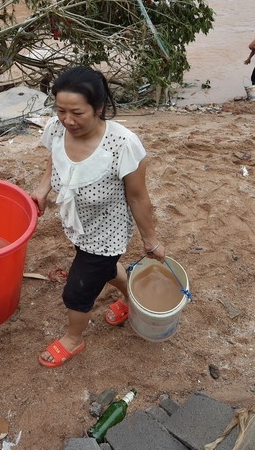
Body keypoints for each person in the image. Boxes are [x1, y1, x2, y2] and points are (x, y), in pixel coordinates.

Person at [31, 67, 164, 368]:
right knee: (102, 269)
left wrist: (151, 241)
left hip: (108, 233)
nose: (67, 120)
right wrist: (42, 188)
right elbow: (55, 156)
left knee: (77, 291)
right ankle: (132, 298)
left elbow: (138, 197)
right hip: (78, 225)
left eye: (77, 112)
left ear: (99, 107)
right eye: (61, 110)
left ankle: (73, 339)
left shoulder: (123, 145)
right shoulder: (57, 128)